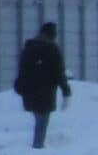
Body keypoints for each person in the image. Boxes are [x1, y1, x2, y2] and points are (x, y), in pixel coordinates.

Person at [15, 19, 71, 148]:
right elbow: (59, 73)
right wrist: (66, 92)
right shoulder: (52, 50)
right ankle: (38, 146)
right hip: (45, 92)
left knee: (39, 119)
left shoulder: (29, 48)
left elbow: (22, 69)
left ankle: (37, 145)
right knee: (42, 120)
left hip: (28, 91)